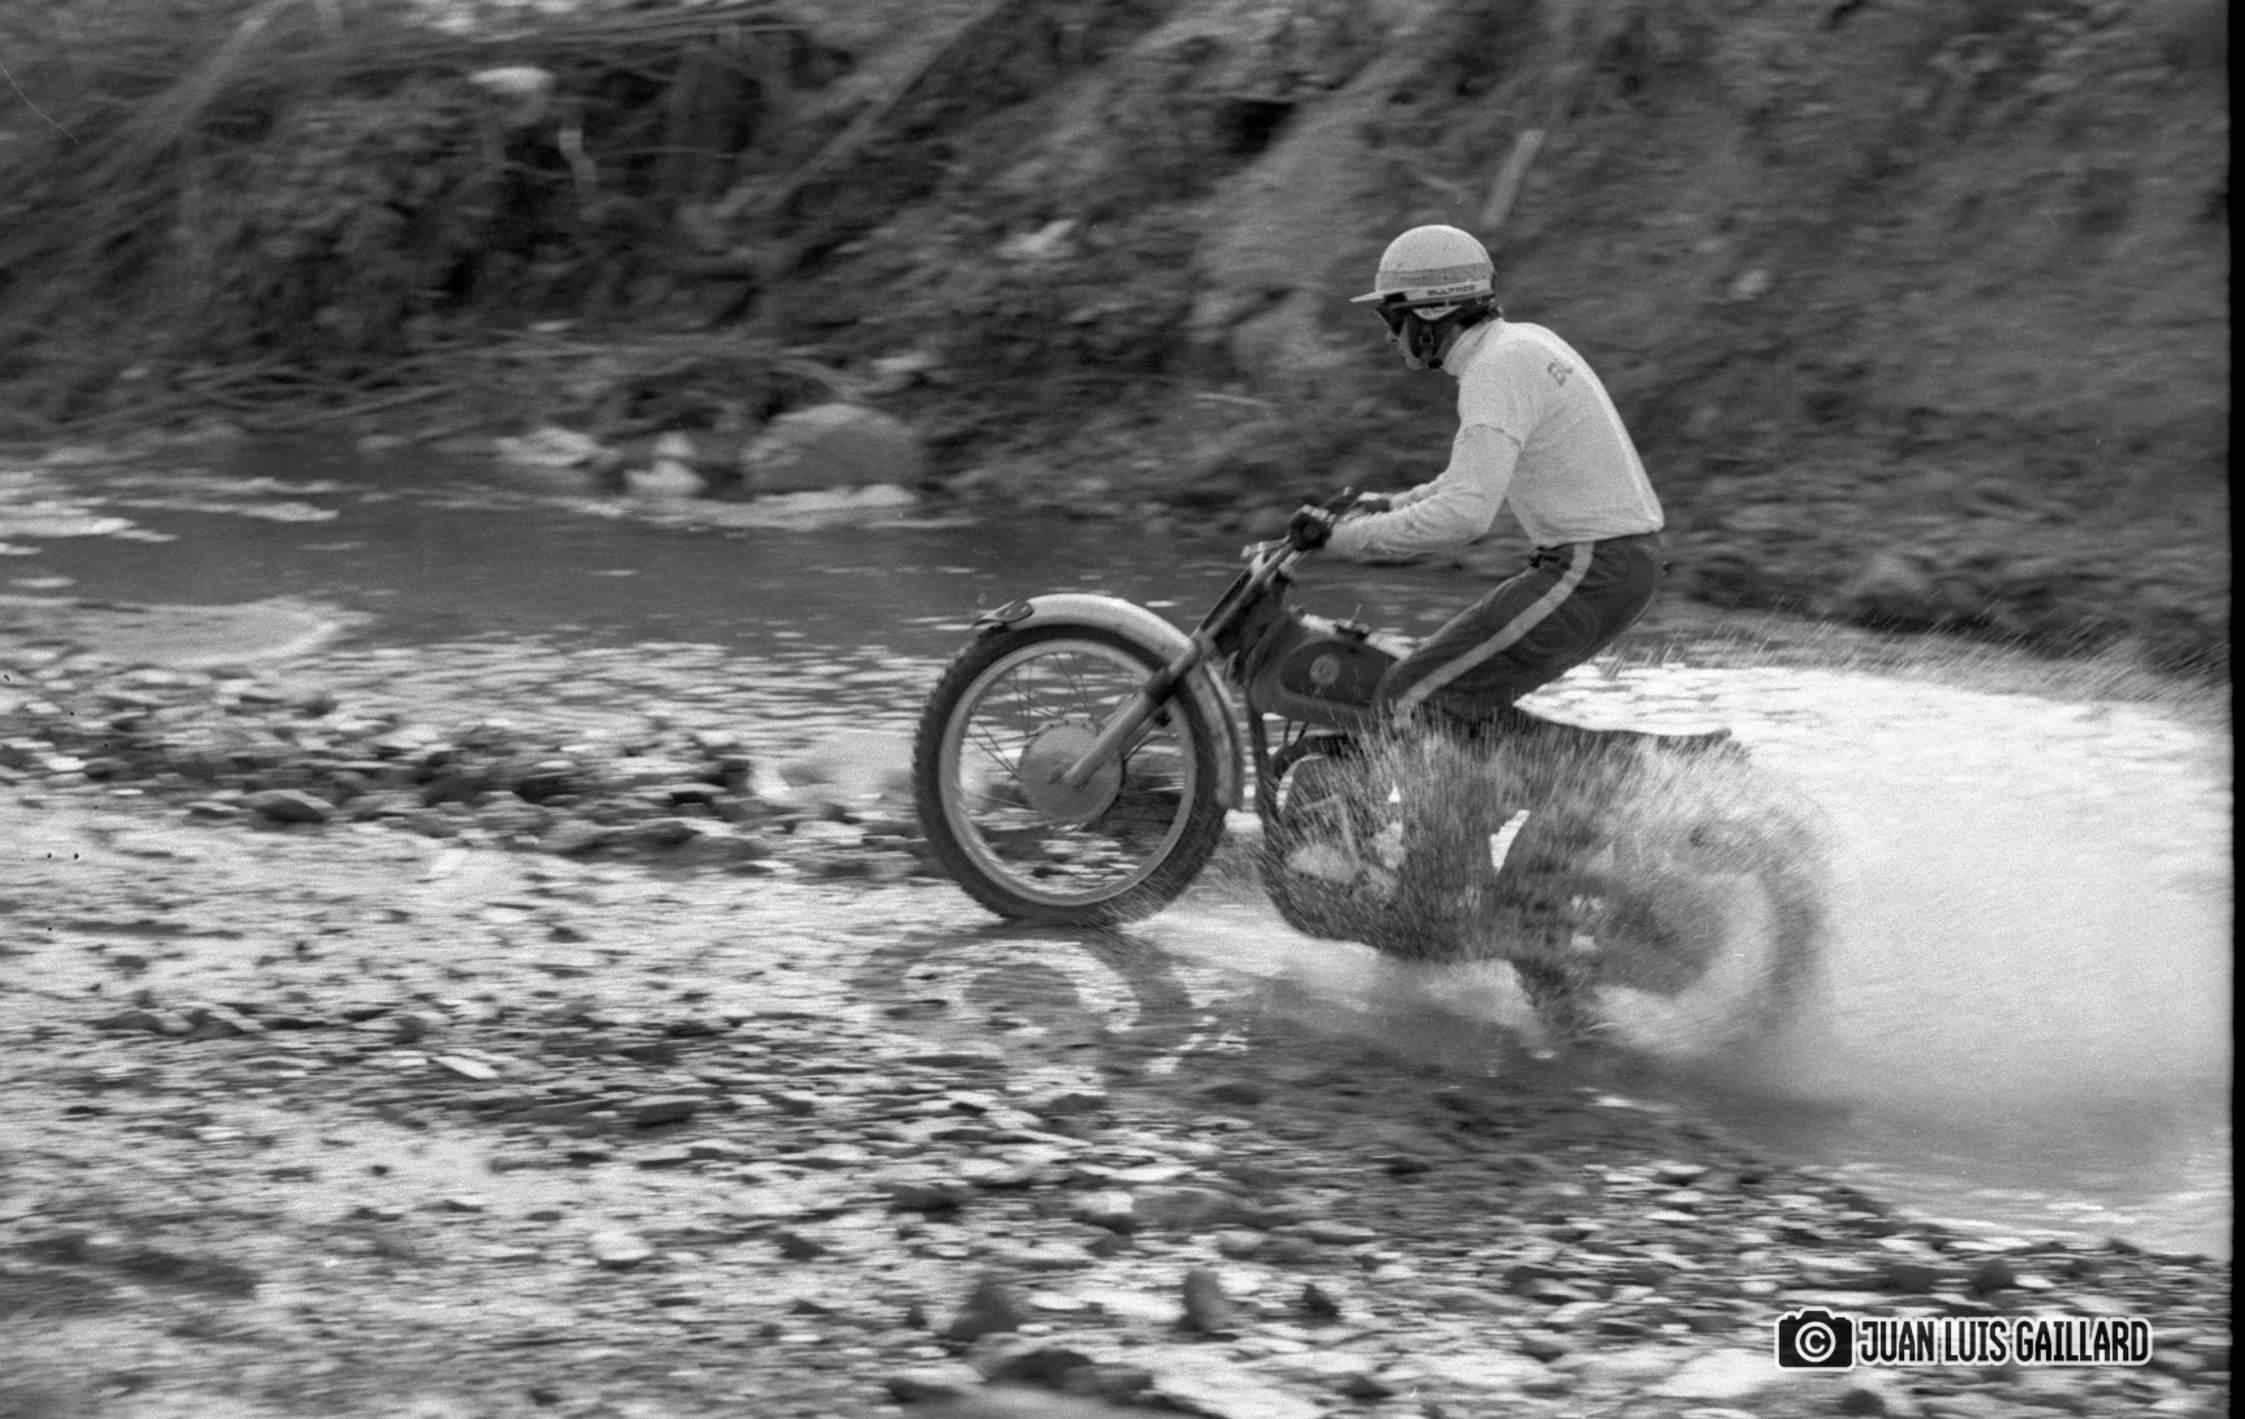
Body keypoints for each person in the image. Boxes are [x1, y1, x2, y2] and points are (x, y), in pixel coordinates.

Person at [1283, 223, 1671, 989]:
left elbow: (1465, 515)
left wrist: (1344, 541)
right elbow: (1465, 480)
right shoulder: (1515, 349)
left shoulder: (1495, 370)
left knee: (1412, 694)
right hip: (1602, 562)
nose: (1390, 333)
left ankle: (1443, 898)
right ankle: (1499, 820)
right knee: (1449, 696)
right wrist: (1386, 504)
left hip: (1591, 566)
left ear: (1429, 315)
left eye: (1392, 316)